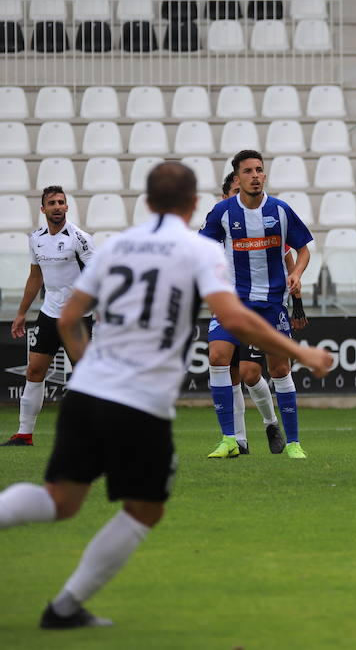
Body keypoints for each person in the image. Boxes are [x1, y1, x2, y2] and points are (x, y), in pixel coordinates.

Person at [0, 162, 332, 630]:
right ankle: (65, 607)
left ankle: (65, 610)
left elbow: (69, 318)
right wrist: (301, 352)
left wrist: (90, 364)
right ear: (195, 204)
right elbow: (234, 319)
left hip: (89, 391)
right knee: (144, 509)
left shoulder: (114, 246)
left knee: (60, 501)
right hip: (138, 402)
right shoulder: (197, 250)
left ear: (148, 202)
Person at [199, 151, 314, 459]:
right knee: (218, 357)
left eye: (259, 170)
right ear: (238, 176)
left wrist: (297, 274)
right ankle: (230, 439)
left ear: (265, 175)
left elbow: (303, 249)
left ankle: (293, 443)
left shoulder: (280, 211)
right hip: (232, 303)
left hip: (271, 305)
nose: (255, 175)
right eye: (248, 171)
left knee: (279, 370)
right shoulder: (222, 212)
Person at [3, 187, 95, 447]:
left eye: (61, 202)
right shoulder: (36, 238)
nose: (57, 206)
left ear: (67, 207)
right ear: (43, 209)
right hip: (49, 313)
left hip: (77, 317)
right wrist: (21, 312)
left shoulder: (80, 238)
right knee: (34, 370)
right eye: (52, 203)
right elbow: (35, 277)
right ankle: (24, 434)